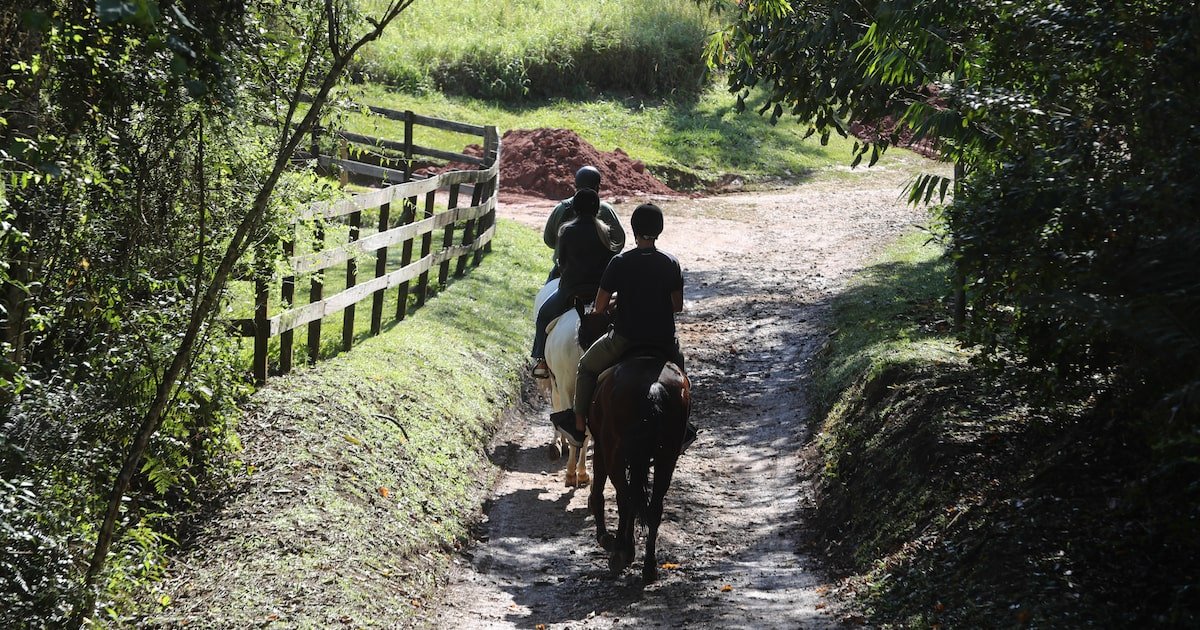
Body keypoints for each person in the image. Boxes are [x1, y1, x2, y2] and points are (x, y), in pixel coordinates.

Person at [557, 203, 697, 451]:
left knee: (586, 367)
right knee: (681, 376)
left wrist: (617, 301)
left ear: (633, 230)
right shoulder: (671, 263)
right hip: (663, 340)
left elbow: (599, 308)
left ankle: (578, 426)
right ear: (659, 230)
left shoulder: (620, 262)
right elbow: (677, 306)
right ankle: (683, 426)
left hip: (624, 338)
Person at [530, 188, 618, 378]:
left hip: (571, 290)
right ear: (597, 210)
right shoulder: (604, 231)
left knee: (543, 316)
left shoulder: (566, 231)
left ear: (575, 209)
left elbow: (560, 262)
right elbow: (610, 260)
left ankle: (540, 360)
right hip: (598, 291)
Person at [543, 165, 625, 282]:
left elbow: (549, 240)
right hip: (599, 276)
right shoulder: (606, 210)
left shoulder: (561, 209)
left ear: (575, 186)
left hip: (565, 276)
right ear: (597, 187)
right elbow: (618, 243)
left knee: (544, 298)